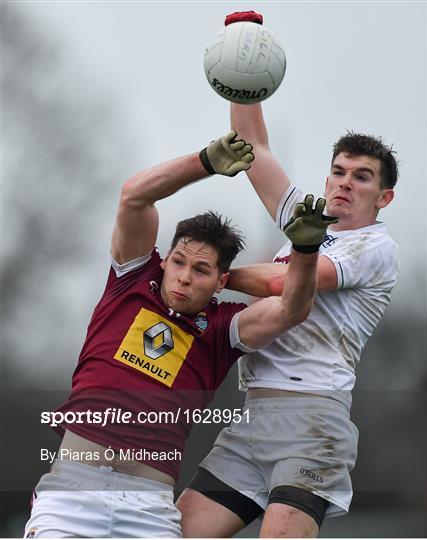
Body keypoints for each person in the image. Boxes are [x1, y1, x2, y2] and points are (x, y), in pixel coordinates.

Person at [24, 131, 335, 538]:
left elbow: (293, 308)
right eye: (180, 263)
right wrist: (204, 162)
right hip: (70, 497)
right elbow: (134, 196)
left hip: (149, 511)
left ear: (222, 280)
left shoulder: (223, 328)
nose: (185, 277)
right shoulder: (131, 279)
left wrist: (306, 251)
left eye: (201, 270)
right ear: (166, 260)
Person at [177, 14, 399, 538]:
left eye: (362, 177)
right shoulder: (310, 217)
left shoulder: (375, 247)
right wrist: (242, 53)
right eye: (339, 171)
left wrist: (216, 275)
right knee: (176, 532)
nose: (346, 183)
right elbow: (252, 146)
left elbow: (287, 285)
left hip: (313, 420)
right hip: (254, 420)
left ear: (383, 197)